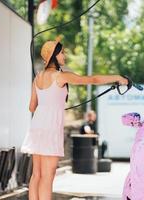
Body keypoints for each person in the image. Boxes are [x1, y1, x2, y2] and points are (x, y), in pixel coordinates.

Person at [20, 37, 128, 200]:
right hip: (50, 127)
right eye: (62, 53)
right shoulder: (60, 76)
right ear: (54, 56)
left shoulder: (38, 77)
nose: (64, 56)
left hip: (37, 126)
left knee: (37, 175)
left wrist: (50, 104)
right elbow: (92, 80)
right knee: (48, 176)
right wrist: (118, 78)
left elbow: (31, 107)